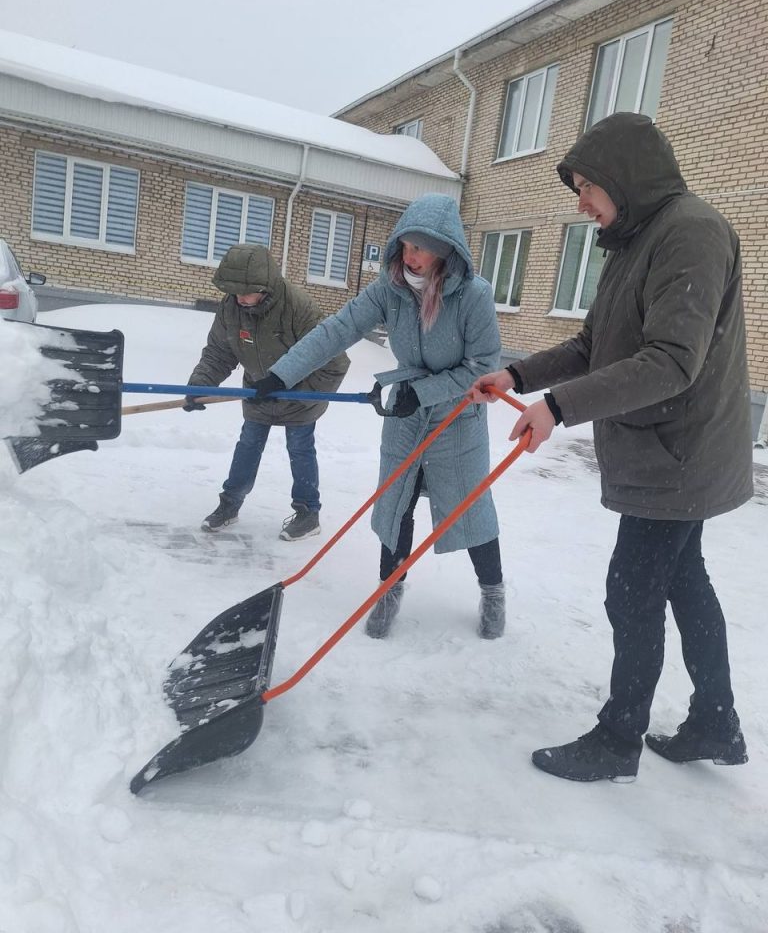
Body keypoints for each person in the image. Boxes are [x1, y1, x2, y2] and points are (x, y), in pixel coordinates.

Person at [471, 112, 753, 781]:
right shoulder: (635, 240)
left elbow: (671, 362)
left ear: (624, 179)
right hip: (667, 450)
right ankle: (716, 723)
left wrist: (558, 407)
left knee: (632, 592)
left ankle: (618, 740)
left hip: (679, 453)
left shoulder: (691, 232)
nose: (581, 203)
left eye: (587, 187)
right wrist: (517, 376)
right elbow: (592, 344)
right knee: (683, 581)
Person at [254, 193, 506, 639]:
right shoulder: (390, 287)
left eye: (420, 247)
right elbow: (338, 329)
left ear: (444, 249)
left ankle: (493, 591)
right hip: (405, 415)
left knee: (469, 510)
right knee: (396, 506)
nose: (410, 256)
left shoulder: (474, 295)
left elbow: (482, 368)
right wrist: (281, 373)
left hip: (456, 418)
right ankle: (388, 591)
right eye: (406, 245)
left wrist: (425, 392)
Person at [183, 243, 350, 541]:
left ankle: (308, 514)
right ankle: (230, 504)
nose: (239, 298)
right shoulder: (232, 307)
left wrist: (302, 394)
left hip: (298, 397)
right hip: (258, 392)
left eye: (246, 292)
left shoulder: (297, 307)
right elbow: (219, 353)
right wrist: (200, 386)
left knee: (300, 448)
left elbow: (335, 361)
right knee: (248, 444)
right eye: (234, 292)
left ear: (265, 286)